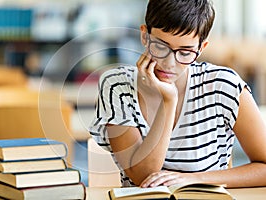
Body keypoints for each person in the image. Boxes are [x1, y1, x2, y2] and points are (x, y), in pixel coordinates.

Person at [88, 0, 266, 188]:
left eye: (185, 52)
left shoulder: (223, 86)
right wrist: (169, 101)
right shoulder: (117, 85)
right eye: (160, 47)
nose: (169, 63)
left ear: (201, 48)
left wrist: (195, 179)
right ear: (144, 35)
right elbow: (144, 176)